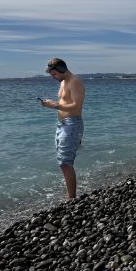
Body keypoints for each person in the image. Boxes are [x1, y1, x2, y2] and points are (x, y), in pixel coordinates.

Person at [40, 58, 85, 200]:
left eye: (54, 74)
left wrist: (54, 106)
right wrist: (51, 104)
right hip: (63, 125)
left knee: (65, 162)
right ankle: (70, 196)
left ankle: (71, 198)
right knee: (63, 162)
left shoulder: (75, 81)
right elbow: (64, 102)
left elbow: (76, 105)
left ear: (61, 70)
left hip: (72, 124)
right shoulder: (64, 82)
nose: (53, 78)